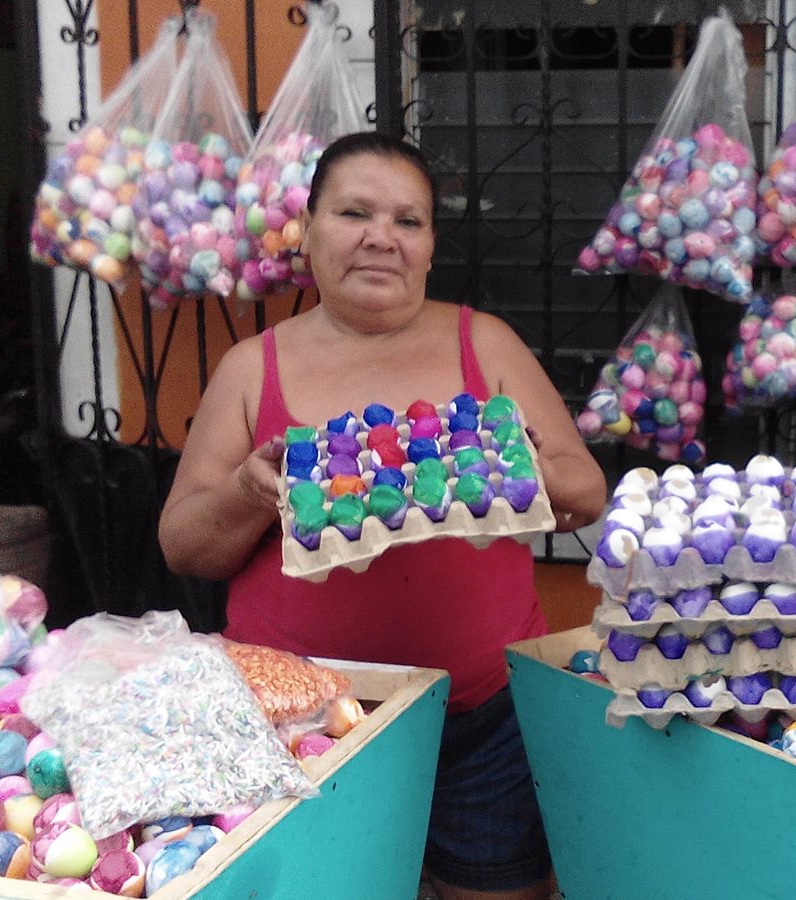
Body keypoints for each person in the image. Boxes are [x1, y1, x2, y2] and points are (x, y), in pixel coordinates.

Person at [159, 131, 607, 900]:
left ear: (431, 244)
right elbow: (183, 545)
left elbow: (584, 490)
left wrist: (519, 474)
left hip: (484, 720)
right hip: (302, 729)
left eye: (408, 221)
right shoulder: (250, 367)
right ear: (307, 229)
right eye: (354, 212)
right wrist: (246, 490)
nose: (381, 238)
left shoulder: (484, 342)